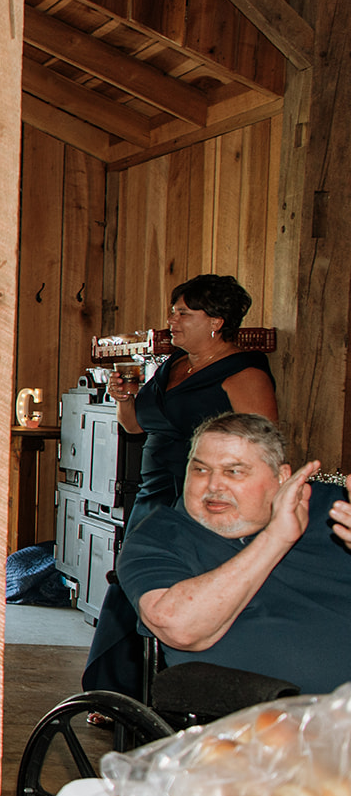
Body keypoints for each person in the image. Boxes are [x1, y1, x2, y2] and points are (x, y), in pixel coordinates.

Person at [83, 274, 277, 694]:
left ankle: (160, 691)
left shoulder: (244, 373)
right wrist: (126, 398)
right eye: (173, 311)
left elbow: (261, 445)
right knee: (132, 582)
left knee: (169, 588)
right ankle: (120, 691)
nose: (172, 320)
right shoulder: (175, 364)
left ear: (217, 321)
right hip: (150, 491)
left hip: (197, 497)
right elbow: (134, 426)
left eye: (183, 312)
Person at [115, 413, 351, 696]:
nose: (213, 486)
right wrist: (276, 538)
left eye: (233, 471)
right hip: (262, 725)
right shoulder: (160, 536)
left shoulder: (332, 509)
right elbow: (178, 627)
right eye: (200, 470)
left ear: (282, 477)